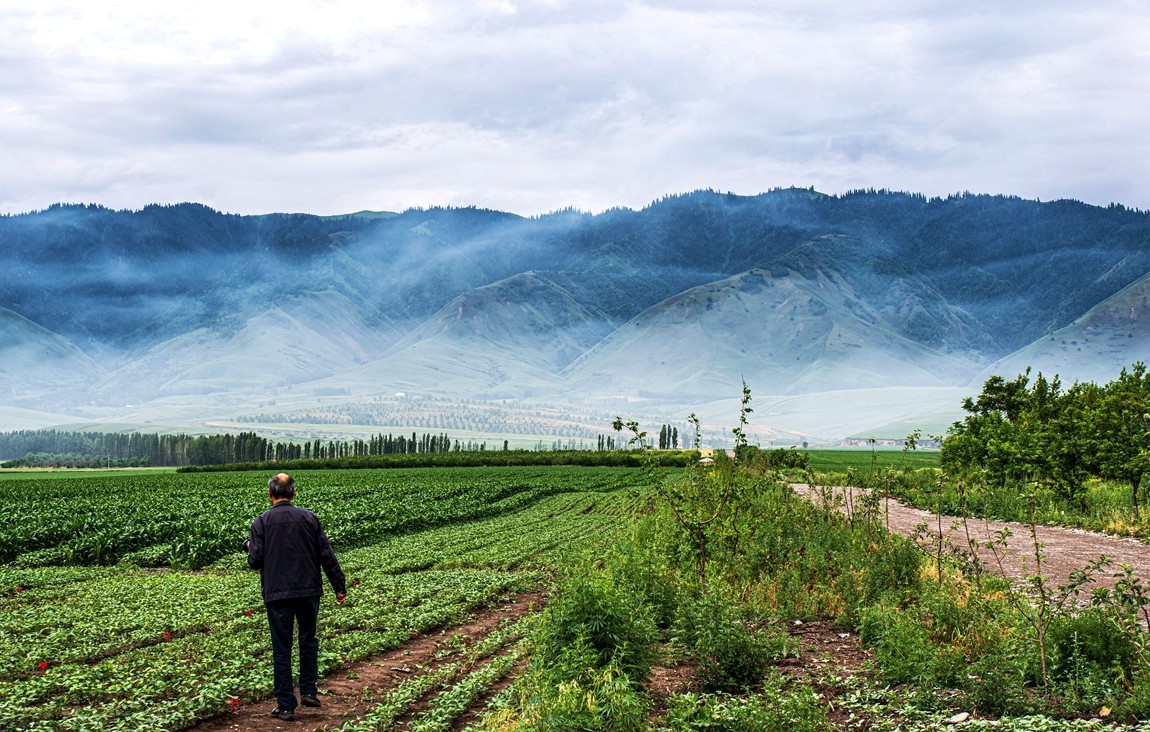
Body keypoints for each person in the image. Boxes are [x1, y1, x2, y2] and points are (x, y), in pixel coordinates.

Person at [245, 472, 346, 722]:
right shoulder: (309, 518)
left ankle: (286, 705)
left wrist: (250, 546)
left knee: (282, 649)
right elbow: (326, 554)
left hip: (277, 594)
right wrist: (339, 585)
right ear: (293, 493)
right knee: (308, 640)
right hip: (309, 591)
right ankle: (309, 692)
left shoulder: (261, 522)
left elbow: (255, 561)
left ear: (270, 495)